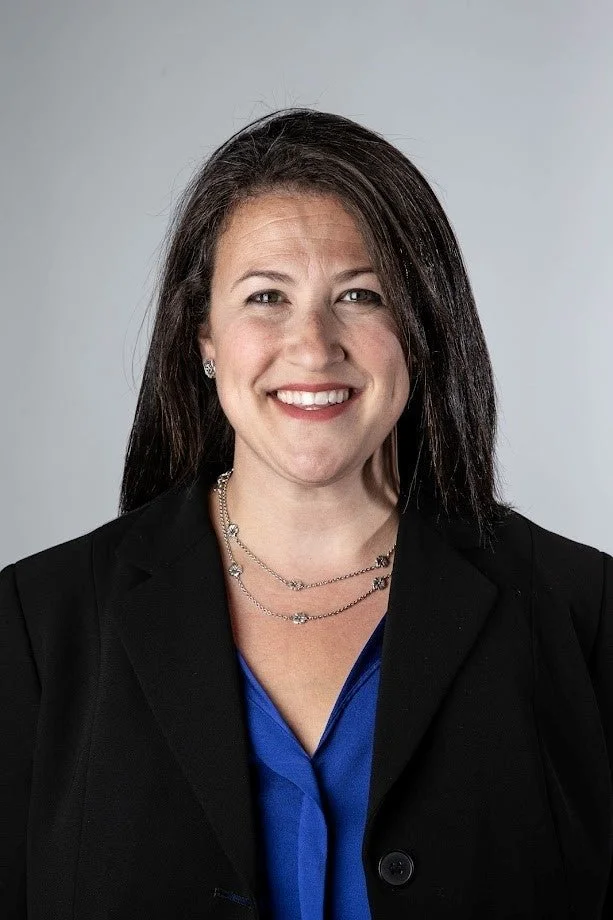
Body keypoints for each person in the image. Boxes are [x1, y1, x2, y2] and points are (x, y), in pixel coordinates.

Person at [1, 108, 611, 920]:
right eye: (266, 297)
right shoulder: (38, 623)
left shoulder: (582, 613)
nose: (314, 345)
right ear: (204, 338)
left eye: (359, 294)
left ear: (420, 327)